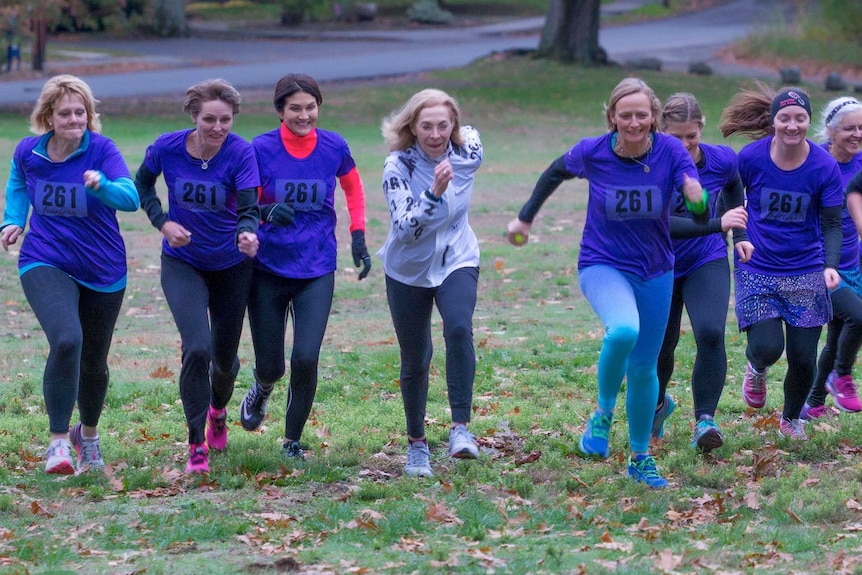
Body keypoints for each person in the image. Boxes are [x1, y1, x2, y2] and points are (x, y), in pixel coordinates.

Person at [507, 77, 708, 488]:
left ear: (653, 117)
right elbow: (552, 173)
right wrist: (525, 218)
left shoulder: (669, 149)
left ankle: (640, 456)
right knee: (623, 330)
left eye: (641, 114)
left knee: (643, 366)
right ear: (612, 118)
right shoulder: (593, 151)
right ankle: (601, 415)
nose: (633, 122)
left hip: (655, 269)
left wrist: (694, 193)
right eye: (625, 115)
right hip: (602, 263)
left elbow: (695, 197)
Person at [0, 75, 139, 474]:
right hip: (45, 259)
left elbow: (129, 199)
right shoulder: (30, 152)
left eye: (81, 112)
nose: (75, 119)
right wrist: (13, 221)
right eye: (65, 113)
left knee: (94, 362)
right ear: (48, 116)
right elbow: (18, 185)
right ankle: (58, 443)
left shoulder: (102, 150)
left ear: (89, 115)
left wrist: (102, 185)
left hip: (102, 268)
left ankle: (88, 440)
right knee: (66, 339)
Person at [240, 73, 371, 461]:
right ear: (280, 110)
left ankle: (291, 441)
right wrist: (264, 211)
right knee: (271, 365)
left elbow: (353, 188)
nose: (303, 114)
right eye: (295, 108)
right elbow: (239, 202)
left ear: (319, 107)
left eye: (310, 107)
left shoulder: (334, 146)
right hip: (266, 268)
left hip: (316, 266)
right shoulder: (259, 149)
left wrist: (359, 235)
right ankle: (262, 388)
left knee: (306, 357)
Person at [136, 78, 260, 474]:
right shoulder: (167, 147)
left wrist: (247, 233)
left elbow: (249, 207)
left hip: (231, 265)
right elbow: (142, 184)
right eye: (209, 119)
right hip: (182, 261)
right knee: (197, 348)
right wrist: (163, 222)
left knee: (224, 362)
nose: (218, 127)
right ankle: (195, 445)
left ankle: (218, 411)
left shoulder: (241, 153)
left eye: (225, 120)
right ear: (194, 115)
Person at [718, 83, 843, 440]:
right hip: (757, 267)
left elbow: (833, 222)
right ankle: (756, 367)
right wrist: (738, 238)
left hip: (806, 269)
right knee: (768, 347)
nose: (792, 125)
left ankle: (791, 419)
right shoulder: (752, 158)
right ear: (773, 121)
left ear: (808, 121)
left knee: (804, 358)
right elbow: (730, 197)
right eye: (785, 118)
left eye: (800, 118)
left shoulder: (824, 166)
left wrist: (830, 264)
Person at [378, 88, 483, 478]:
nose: (436, 134)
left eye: (443, 125)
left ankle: (460, 430)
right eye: (427, 126)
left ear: (454, 124)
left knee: (458, 327)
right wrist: (434, 193)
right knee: (416, 357)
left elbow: (470, 140)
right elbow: (405, 230)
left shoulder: (469, 149)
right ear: (412, 127)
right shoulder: (398, 166)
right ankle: (417, 445)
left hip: (458, 257)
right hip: (409, 269)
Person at [652, 93, 751, 454]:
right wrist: (716, 224)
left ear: (701, 129)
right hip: (657, 263)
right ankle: (658, 405)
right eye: (675, 136)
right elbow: (663, 223)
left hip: (704, 259)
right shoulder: (649, 166)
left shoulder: (721, 159)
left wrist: (737, 233)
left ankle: (705, 420)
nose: (684, 144)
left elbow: (734, 185)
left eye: (690, 136)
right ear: (660, 131)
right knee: (662, 346)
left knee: (710, 332)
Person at [801, 97, 862, 419]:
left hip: (854, 263)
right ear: (831, 131)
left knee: (839, 333)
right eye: (850, 128)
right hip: (817, 265)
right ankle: (841, 375)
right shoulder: (814, 161)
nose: (857, 134)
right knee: (858, 318)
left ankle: (812, 405)